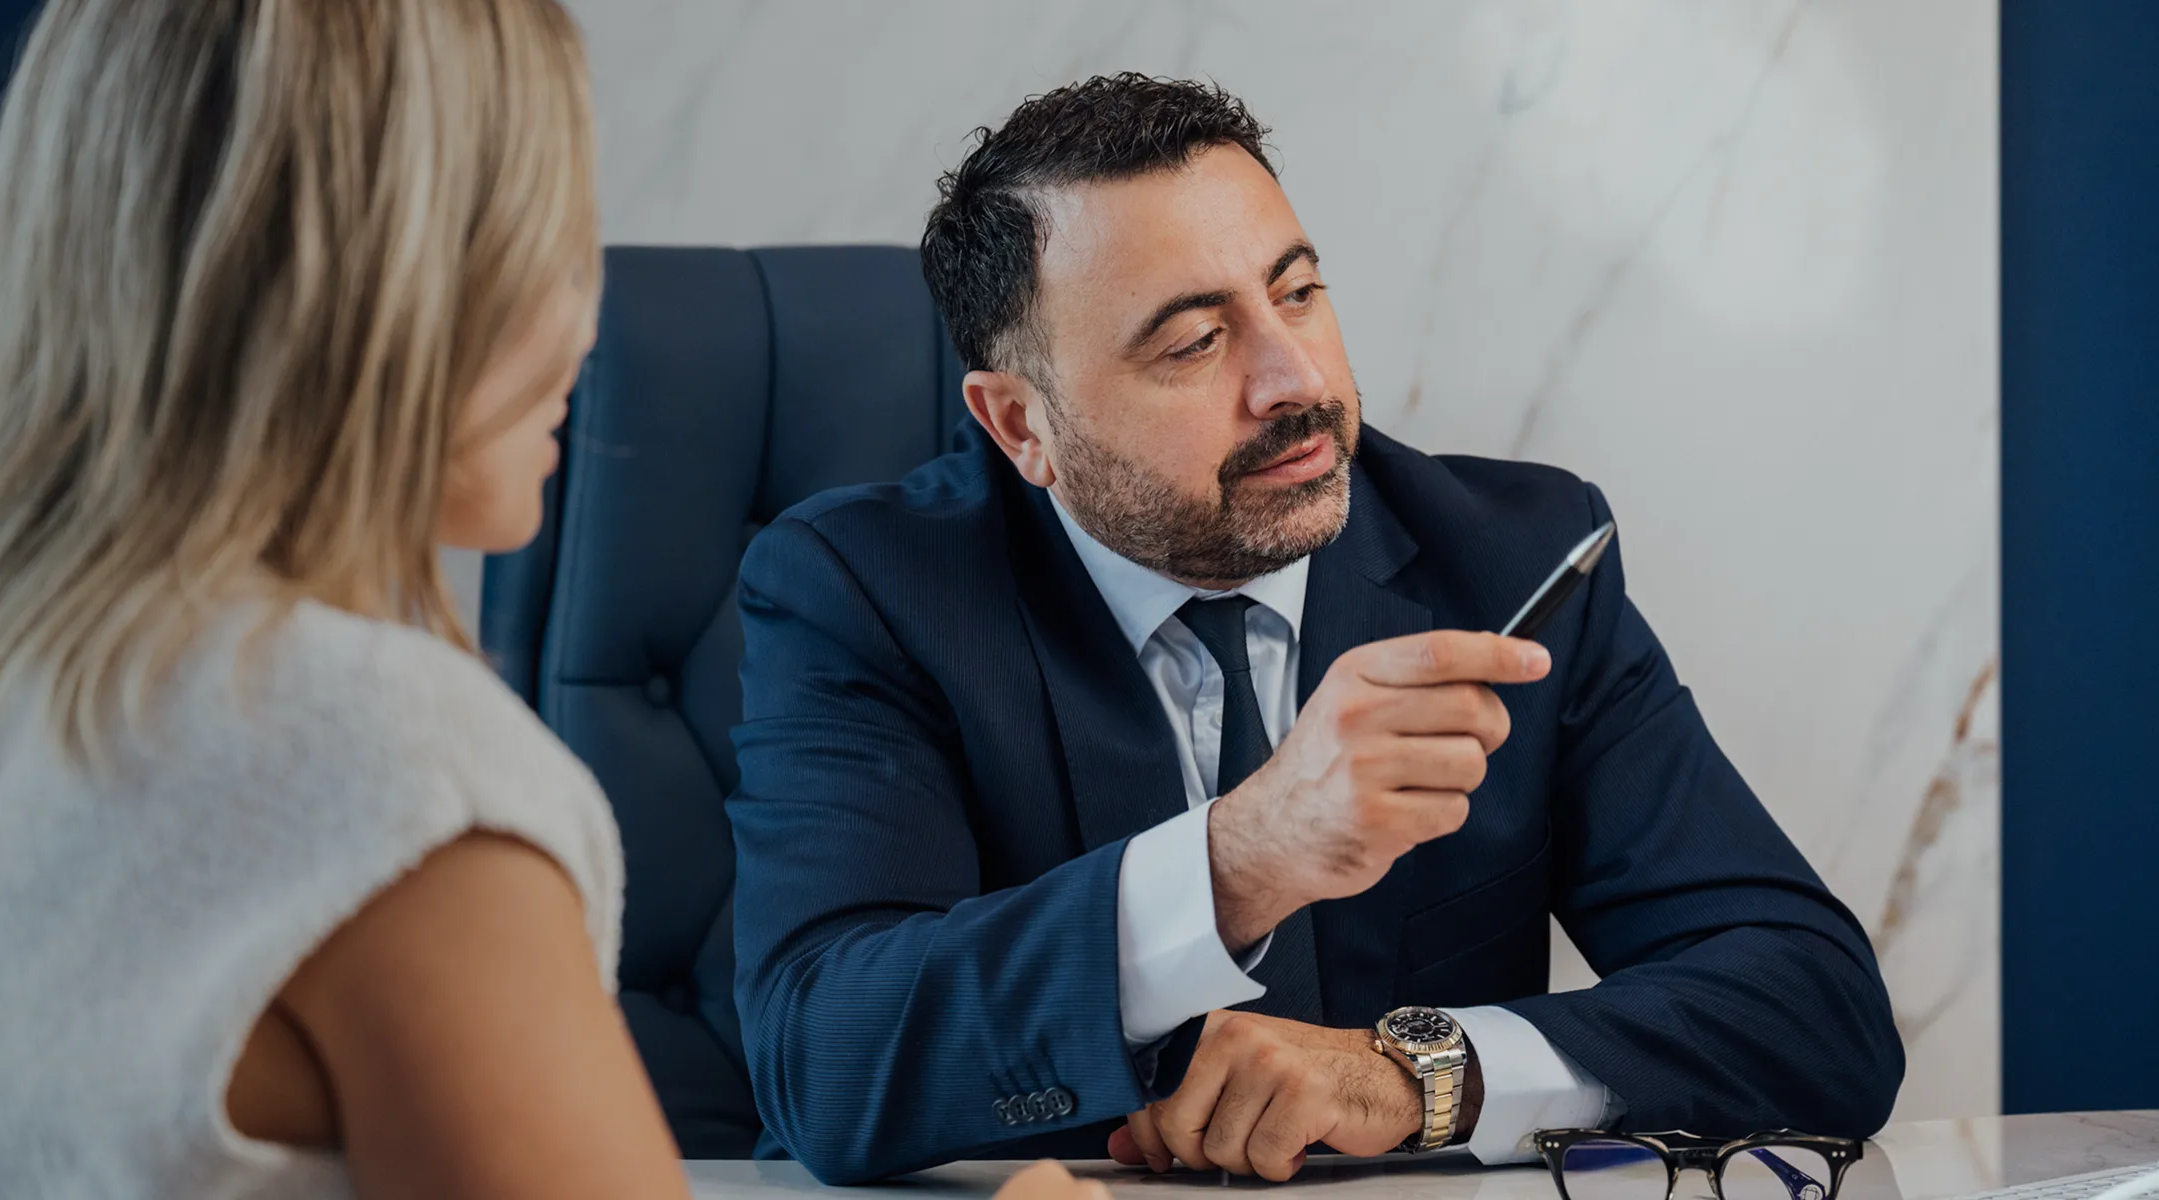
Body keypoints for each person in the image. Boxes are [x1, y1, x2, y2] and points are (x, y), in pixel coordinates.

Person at [0, 5, 1105, 1200]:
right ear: (389, 282)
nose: (584, 323)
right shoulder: (388, 768)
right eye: (544, 239)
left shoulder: (47, 679)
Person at [722, 74, 1906, 1185]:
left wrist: (1424, 1073)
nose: (1292, 377)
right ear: (1021, 425)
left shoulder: (1513, 557)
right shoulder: (866, 587)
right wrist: (1241, 861)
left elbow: (1817, 1014)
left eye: (1296, 292)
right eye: (1194, 342)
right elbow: (822, 1058)